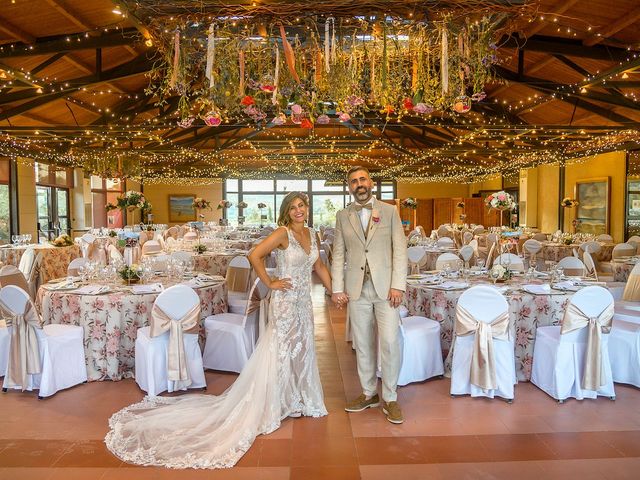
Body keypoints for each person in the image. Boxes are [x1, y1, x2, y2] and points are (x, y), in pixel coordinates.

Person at [105, 192, 329, 469]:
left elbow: (318, 265)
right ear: (286, 211)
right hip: (284, 302)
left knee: (303, 348)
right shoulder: (282, 233)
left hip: (304, 303)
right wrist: (270, 282)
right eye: (293, 207)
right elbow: (253, 254)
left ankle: (300, 397)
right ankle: (275, 401)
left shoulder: (311, 232)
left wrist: (335, 291)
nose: (298, 210)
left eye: (302, 206)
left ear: (307, 209)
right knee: (280, 350)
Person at [331, 166, 407, 424]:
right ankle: (368, 393)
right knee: (362, 344)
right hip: (356, 289)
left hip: (387, 289)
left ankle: (391, 397)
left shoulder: (389, 211)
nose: (358, 184)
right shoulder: (343, 215)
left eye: (362, 179)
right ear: (349, 187)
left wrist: (398, 285)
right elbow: (338, 253)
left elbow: (400, 250)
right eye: (353, 181)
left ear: (371, 183)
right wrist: (338, 288)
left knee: (389, 342)